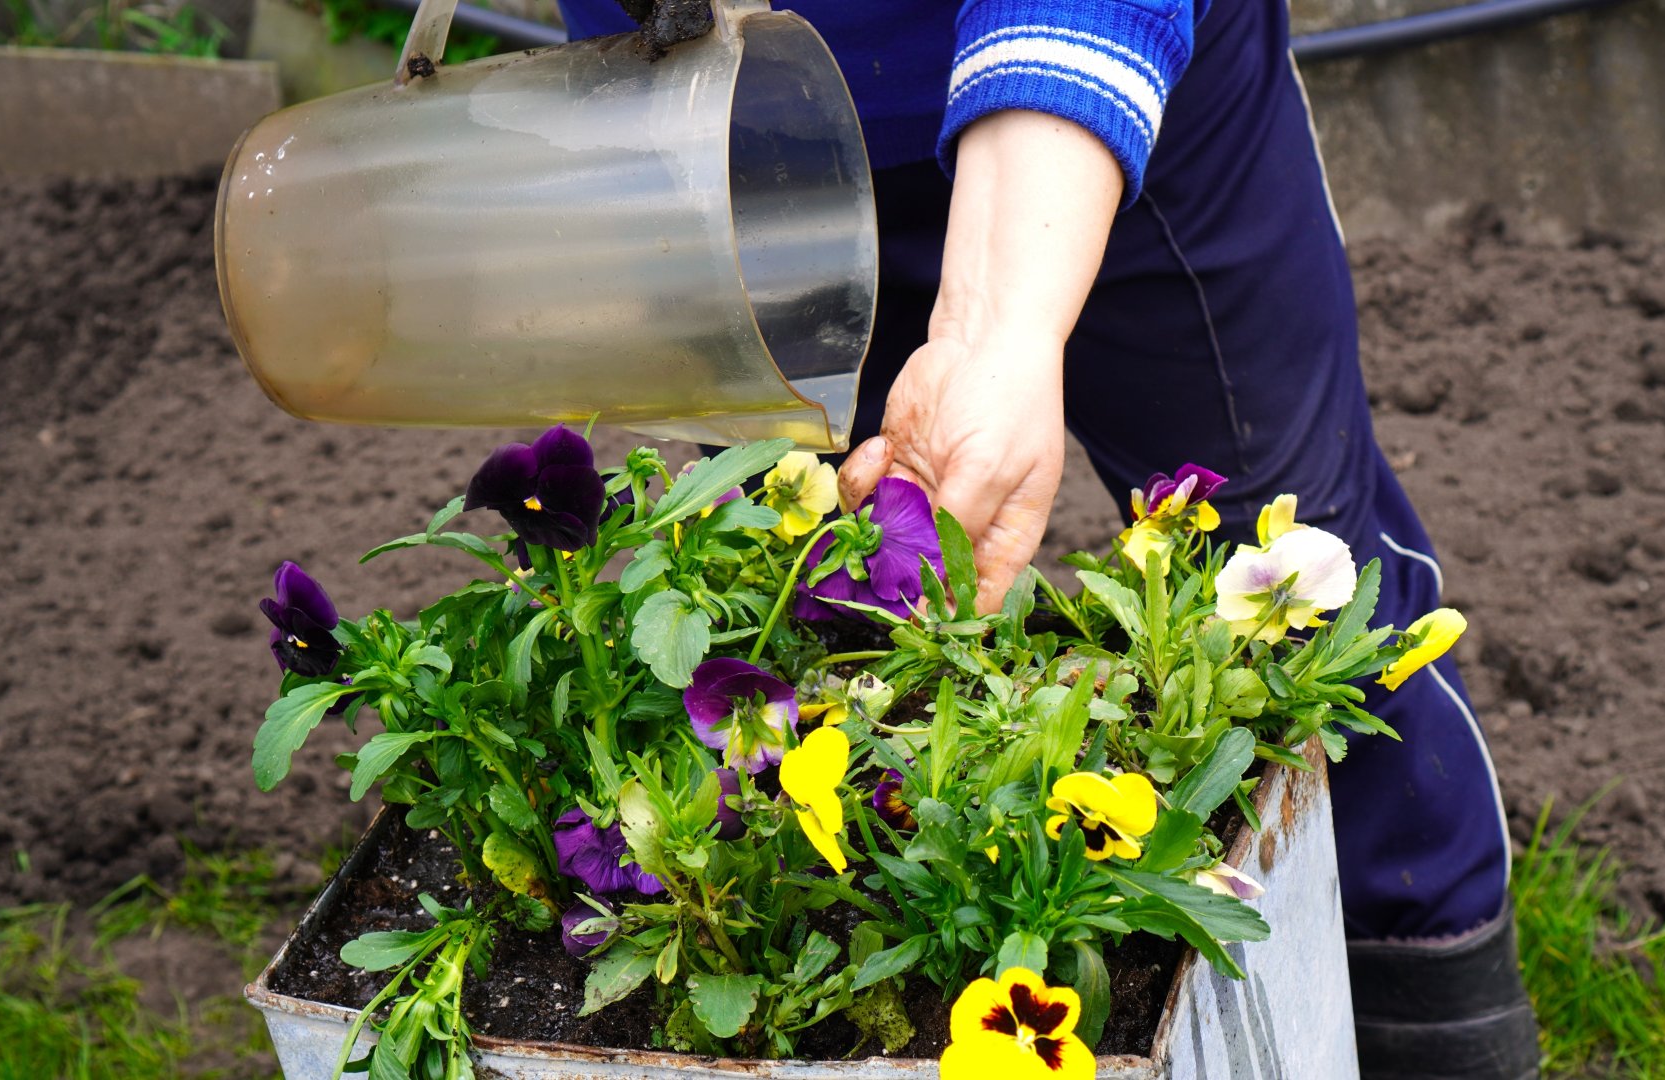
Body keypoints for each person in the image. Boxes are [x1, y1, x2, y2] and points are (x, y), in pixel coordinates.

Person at [559, 1, 1540, 1075]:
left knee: (1307, 586)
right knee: (792, 615)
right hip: (724, 118)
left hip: (1109, 69)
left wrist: (998, 329)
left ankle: (1426, 988)